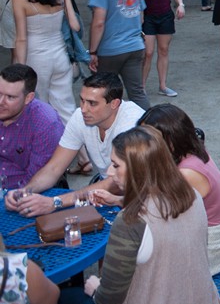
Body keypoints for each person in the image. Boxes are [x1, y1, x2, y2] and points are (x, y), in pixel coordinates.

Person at [52, 126, 220, 304]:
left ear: (139, 169)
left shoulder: (130, 222)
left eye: (116, 165)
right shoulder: (191, 195)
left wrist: (96, 288)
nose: (108, 172)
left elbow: (109, 299)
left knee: (65, 299)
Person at [5, 73, 144, 217]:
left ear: (114, 104)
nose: (83, 109)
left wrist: (55, 202)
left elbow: (115, 183)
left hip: (138, 197)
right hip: (105, 189)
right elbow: (54, 167)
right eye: (82, 100)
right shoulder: (80, 116)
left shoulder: (132, 125)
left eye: (92, 103)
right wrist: (25, 192)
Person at [136, 104, 220, 282]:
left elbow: (158, 214)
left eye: (148, 139)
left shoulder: (186, 173)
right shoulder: (192, 152)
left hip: (206, 252)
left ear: (170, 140)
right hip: (208, 236)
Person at [12, 0, 80, 123]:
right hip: (60, 55)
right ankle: (76, 145)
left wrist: (19, 66)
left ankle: (45, 142)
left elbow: (21, 38)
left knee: (38, 105)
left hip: (36, 56)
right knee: (65, 105)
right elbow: (75, 26)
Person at [86, 0, 150, 109]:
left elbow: (98, 23)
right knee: (137, 93)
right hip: (135, 46)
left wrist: (92, 51)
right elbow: (141, 17)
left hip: (111, 50)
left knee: (104, 94)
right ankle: (150, 130)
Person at [131, 0, 184, 98]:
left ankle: (163, 85)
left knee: (164, 50)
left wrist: (180, 4)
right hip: (147, 15)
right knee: (147, 52)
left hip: (165, 14)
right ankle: (141, 87)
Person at [0, 64, 64, 189]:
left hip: (22, 189)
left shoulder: (46, 124)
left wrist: (17, 197)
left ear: (28, 98)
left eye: (10, 97)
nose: (1, 102)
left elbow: (39, 177)